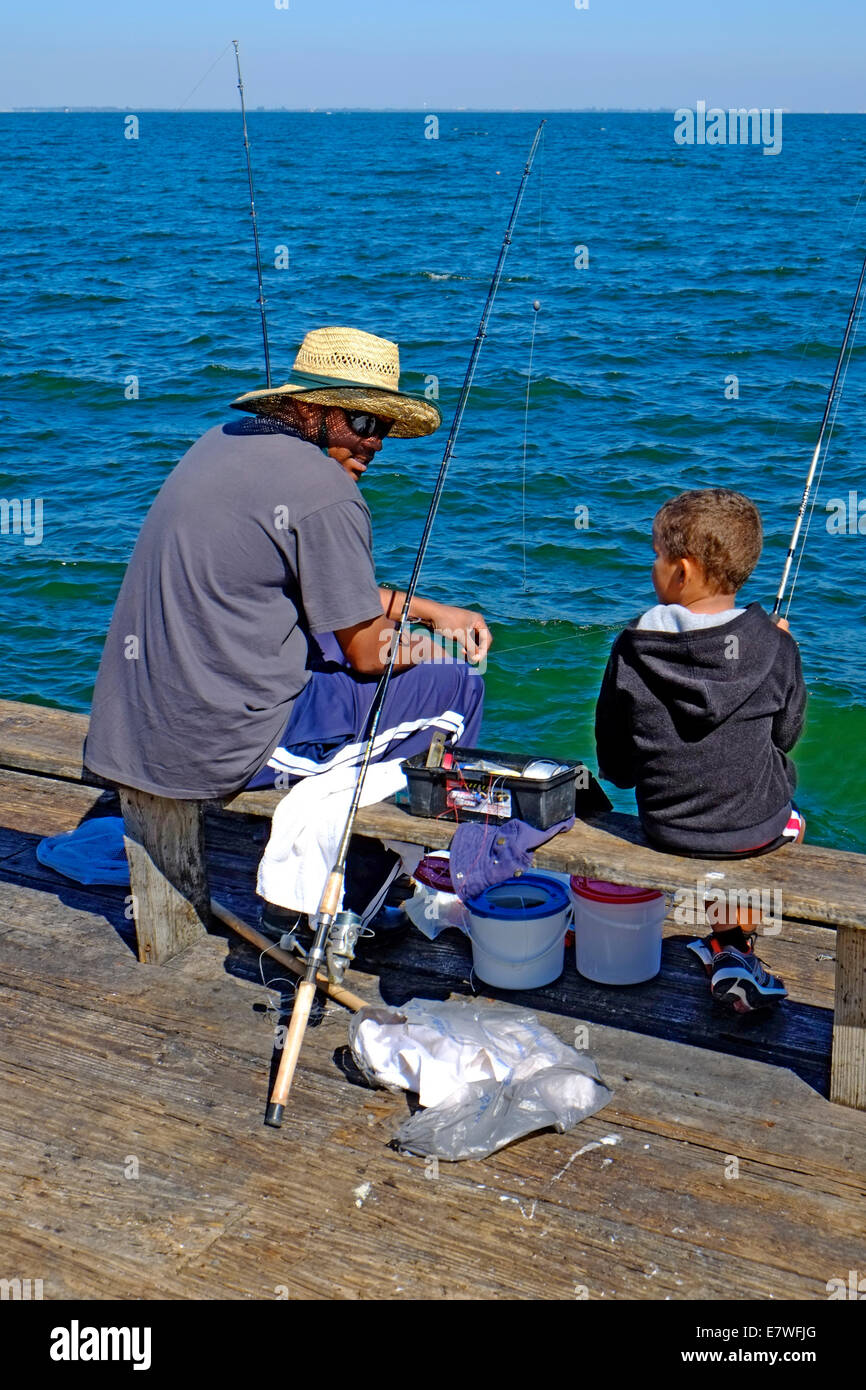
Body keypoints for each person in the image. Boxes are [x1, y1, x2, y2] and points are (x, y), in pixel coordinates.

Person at [84, 325, 491, 919]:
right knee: (458, 687)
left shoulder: (221, 443)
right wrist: (441, 644)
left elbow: (318, 588)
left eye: (382, 428)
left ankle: (353, 849)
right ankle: (385, 874)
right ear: (310, 410)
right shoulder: (325, 491)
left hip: (137, 723)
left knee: (331, 636)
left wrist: (426, 610)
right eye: (364, 423)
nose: (375, 443)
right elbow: (370, 654)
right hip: (217, 746)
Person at [594, 488, 807, 1013]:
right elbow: (785, 737)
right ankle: (735, 944)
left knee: (733, 796)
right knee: (779, 809)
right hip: (754, 832)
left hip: (664, 826)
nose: (653, 565)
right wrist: (773, 647)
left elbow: (616, 768)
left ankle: (729, 943)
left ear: (682, 572)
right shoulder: (777, 646)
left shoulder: (632, 647)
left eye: (657, 555)